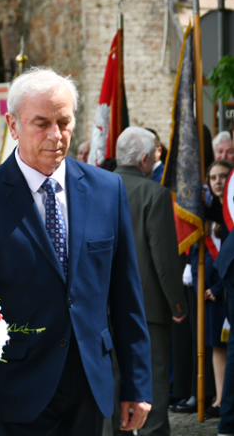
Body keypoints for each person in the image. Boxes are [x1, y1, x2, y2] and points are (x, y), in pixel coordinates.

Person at [0, 67, 151, 436]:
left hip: (91, 384)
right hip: (18, 387)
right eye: (41, 123)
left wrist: (137, 385)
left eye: (64, 122)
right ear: (13, 125)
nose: (56, 135)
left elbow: (127, 297)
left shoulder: (108, 190)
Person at [111, 127, 188, 435]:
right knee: (152, 383)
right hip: (149, 309)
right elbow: (165, 258)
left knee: (113, 383)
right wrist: (177, 303)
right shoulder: (155, 194)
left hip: (104, 308)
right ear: (144, 159)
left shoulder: (95, 189)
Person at [191, 160, 233, 419]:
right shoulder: (209, 212)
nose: (218, 182)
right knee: (217, 345)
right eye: (213, 178)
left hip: (226, 287)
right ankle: (219, 398)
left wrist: (217, 286)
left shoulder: (230, 210)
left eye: (223, 177)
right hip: (212, 292)